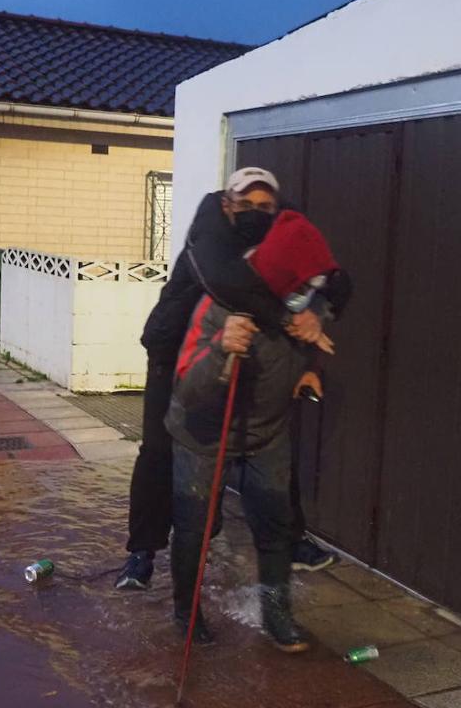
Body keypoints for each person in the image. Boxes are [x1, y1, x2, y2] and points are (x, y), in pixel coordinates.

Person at [116, 167, 335, 591]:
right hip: (174, 352)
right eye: (245, 204)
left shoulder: (274, 244)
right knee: (160, 451)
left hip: (239, 353)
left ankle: (289, 539)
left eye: (265, 206)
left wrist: (312, 333)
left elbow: (316, 284)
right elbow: (228, 285)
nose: (255, 212)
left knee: (268, 440)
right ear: (227, 205)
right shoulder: (209, 239)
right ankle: (141, 552)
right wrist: (289, 318)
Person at [166, 210, 351, 651]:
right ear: (279, 277)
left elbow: (316, 329)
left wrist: (308, 368)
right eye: (304, 288)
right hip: (204, 436)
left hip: (267, 434)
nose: (310, 296)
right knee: (195, 528)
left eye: (314, 290)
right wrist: (221, 349)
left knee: (276, 527)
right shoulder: (218, 308)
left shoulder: (305, 305)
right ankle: (186, 613)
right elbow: (189, 390)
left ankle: (276, 615)